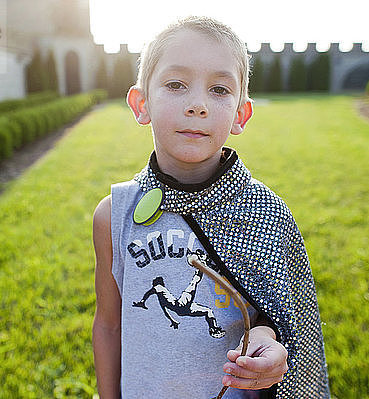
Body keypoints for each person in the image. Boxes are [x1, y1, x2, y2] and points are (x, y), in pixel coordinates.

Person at [92, 16, 329, 399]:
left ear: (240, 114)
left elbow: (274, 317)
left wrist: (270, 346)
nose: (197, 105)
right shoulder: (113, 215)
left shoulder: (263, 212)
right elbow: (109, 325)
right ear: (141, 104)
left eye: (219, 89)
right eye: (175, 85)